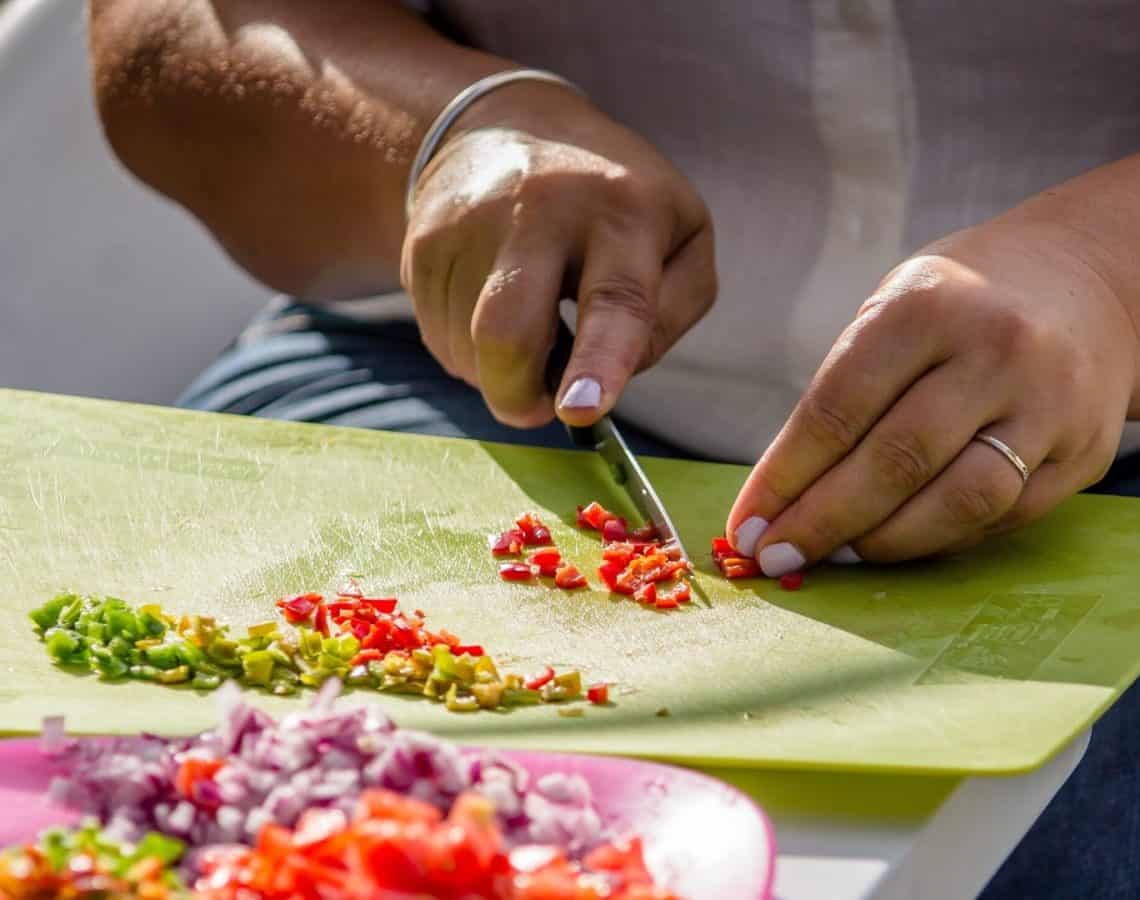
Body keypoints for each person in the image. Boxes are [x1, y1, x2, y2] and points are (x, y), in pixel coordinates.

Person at [88, 2, 1140, 895]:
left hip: (1112, 460)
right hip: (456, 380)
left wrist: (1107, 270)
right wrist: (442, 130)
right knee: (227, 795)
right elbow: (161, 40)